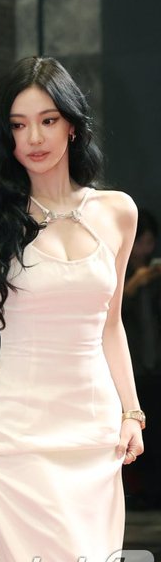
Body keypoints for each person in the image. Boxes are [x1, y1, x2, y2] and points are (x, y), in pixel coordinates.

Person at [0, 56, 144, 562]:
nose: (33, 137)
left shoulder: (117, 212)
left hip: (93, 431)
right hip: (20, 430)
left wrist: (131, 412)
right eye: (18, 124)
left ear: (73, 125)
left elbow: (111, 324)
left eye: (47, 120)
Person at [122, 208, 161, 508]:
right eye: (140, 242)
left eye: (149, 243)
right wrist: (136, 282)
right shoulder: (117, 268)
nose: (145, 250)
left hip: (155, 364)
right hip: (130, 366)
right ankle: (136, 492)